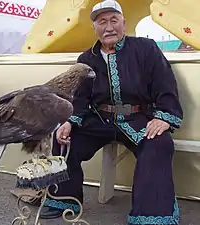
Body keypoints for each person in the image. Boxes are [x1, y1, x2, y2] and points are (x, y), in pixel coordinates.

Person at [39, 0, 183, 224]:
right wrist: (70, 121)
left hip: (137, 120)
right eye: (102, 22)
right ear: (94, 27)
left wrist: (163, 116)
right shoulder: (86, 59)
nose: (109, 27)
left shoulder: (146, 49)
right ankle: (64, 200)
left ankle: (151, 215)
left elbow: (165, 85)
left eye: (114, 20)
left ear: (123, 23)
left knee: (158, 144)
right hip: (99, 120)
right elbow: (81, 98)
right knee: (63, 138)